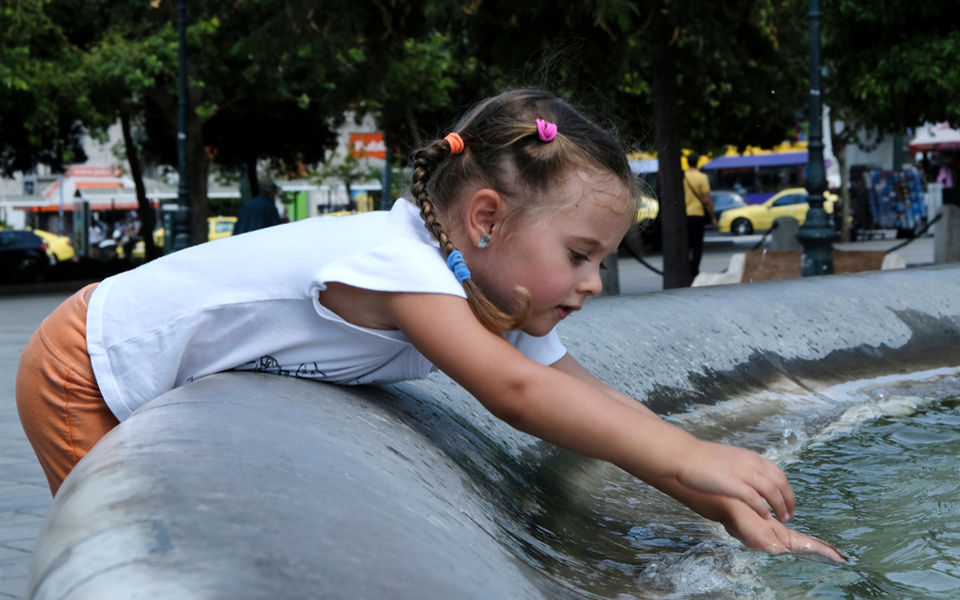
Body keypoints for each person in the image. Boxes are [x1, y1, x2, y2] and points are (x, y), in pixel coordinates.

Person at [15, 89, 843, 562]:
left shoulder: (480, 291)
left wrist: (716, 501)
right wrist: (697, 454)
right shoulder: (402, 266)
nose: (594, 283)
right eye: (580, 254)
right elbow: (518, 395)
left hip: (127, 358)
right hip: (85, 363)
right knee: (133, 553)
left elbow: (600, 410)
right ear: (485, 218)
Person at [683, 151, 717, 280]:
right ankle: (694, 271)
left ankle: (686, 269)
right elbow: (707, 200)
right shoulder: (702, 177)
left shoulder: (683, 176)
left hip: (684, 215)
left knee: (686, 244)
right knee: (697, 246)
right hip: (697, 214)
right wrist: (713, 217)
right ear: (697, 162)